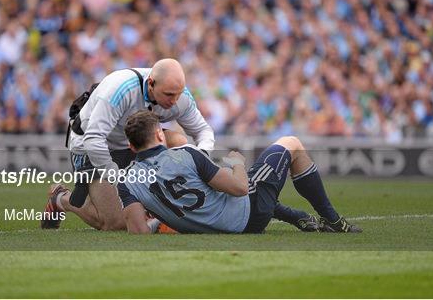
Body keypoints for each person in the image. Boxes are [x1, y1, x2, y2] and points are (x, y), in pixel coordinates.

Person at [117, 110, 362, 234]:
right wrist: (237, 164)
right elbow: (240, 188)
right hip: (250, 212)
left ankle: (296, 216)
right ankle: (333, 221)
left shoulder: (127, 182)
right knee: (292, 143)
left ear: (131, 145)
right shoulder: (186, 153)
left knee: (230, 184)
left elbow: (138, 231)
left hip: (217, 227)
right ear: (160, 134)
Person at [42, 58, 215, 231]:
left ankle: (161, 204)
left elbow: (203, 131)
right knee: (115, 223)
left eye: (178, 94)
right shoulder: (121, 89)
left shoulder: (181, 97)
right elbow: (93, 138)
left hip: (134, 140)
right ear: (151, 84)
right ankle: (61, 198)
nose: (174, 101)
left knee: (179, 142)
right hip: (92, 144)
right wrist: (118, 178)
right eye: (169, 94)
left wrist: (203, 158)